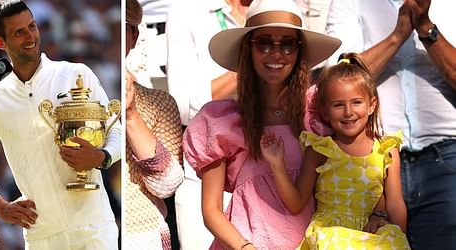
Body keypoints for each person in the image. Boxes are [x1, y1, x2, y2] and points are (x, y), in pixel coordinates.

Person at [0, 0, 121, 249]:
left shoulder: (76, 73)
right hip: (40, 237)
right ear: (0, 42)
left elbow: (116, 129)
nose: (30, 36)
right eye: (18, 32)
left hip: (95, 228)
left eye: (32, 26)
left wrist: (101, 157)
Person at [182, 0, 341, 249]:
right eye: (264, 43)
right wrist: (245, 247)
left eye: (287, 44)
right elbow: (211, 211)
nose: (276, 54)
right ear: (248, 49)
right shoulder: (221, 121)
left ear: (299, 51)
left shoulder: (318, 112)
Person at [325, 0, 456, 248]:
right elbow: (335, 82)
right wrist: (398, 36)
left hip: (445, 159)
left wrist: (426, 29)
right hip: (371, 161)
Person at [261, 53, 410, 249]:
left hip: (370, 236)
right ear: (325, 112)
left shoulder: (386, 150)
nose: (348, 112)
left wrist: (398, 238)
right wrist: (277, 165)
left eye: (356, 102)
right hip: (329, 238)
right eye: (338, 105)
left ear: (372, 105)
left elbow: (395, 203)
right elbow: (296, 202)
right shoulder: (321, 149)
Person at [165, 0, 252, 248]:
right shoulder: (186, 10)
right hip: (207, 179)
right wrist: (249, 67)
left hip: (273, 172)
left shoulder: (279, 6)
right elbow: (182, 105)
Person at [124, 0, 184, 249]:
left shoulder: (158, 102)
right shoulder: (69, 94)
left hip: (139, 234)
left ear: (134, 35)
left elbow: (167, 185)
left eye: (122, 28)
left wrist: (131, 115)